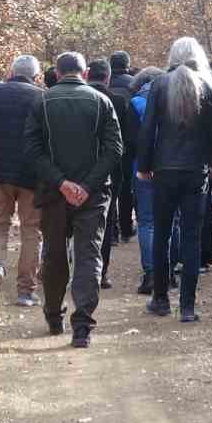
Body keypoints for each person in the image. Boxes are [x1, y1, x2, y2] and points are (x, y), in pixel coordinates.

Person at [23, 52, 123, 347]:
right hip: (91, 195)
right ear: (85, 71)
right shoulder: (101, 101)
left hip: (54, 193)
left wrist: (61, 182)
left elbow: (31, 150)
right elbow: (114, 149)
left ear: (56, 71)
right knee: (89, 255)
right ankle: (82, 326)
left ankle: (54, 316)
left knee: (54, 255)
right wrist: (86, 186)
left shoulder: (42, 101)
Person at [136, 37, 212, 323]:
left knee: (162, 234)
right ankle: (187, 306)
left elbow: (148, 127)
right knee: (191, 237)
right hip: (195, 171)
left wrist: (145, 165)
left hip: (164, 170)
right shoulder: (210, 85)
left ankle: (160, 299)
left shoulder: (160, 84)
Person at [0, 55, 45, 307]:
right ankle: (26, 291)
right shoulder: (41, 97)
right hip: (32, 175)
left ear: (10, 72)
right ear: (36, 76)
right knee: (31, 230)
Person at [89, 59, 138, 289]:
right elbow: (126, 138)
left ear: (88, 74)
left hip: (78, 166)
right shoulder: (117, 100)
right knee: (106, 219)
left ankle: (80, 268)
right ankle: (102, 271)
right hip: (112, 167)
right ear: (107, 77)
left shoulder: (80, 96)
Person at [128, 66, 164, 294]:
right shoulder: (174, 100)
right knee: (174, 220)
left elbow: (131, 141)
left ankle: (151, 273)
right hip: (172, 166)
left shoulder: (135, 104)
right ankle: (169, 271)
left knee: (147, 222)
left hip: (143, 169)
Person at [108, 51, 139, 241]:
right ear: (127, 64)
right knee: (127, 187)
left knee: (107, 186)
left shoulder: (104, 81)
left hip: (103, 145)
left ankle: (111, 230)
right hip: (128, 144)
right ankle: (126, 228)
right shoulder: (134, 84)